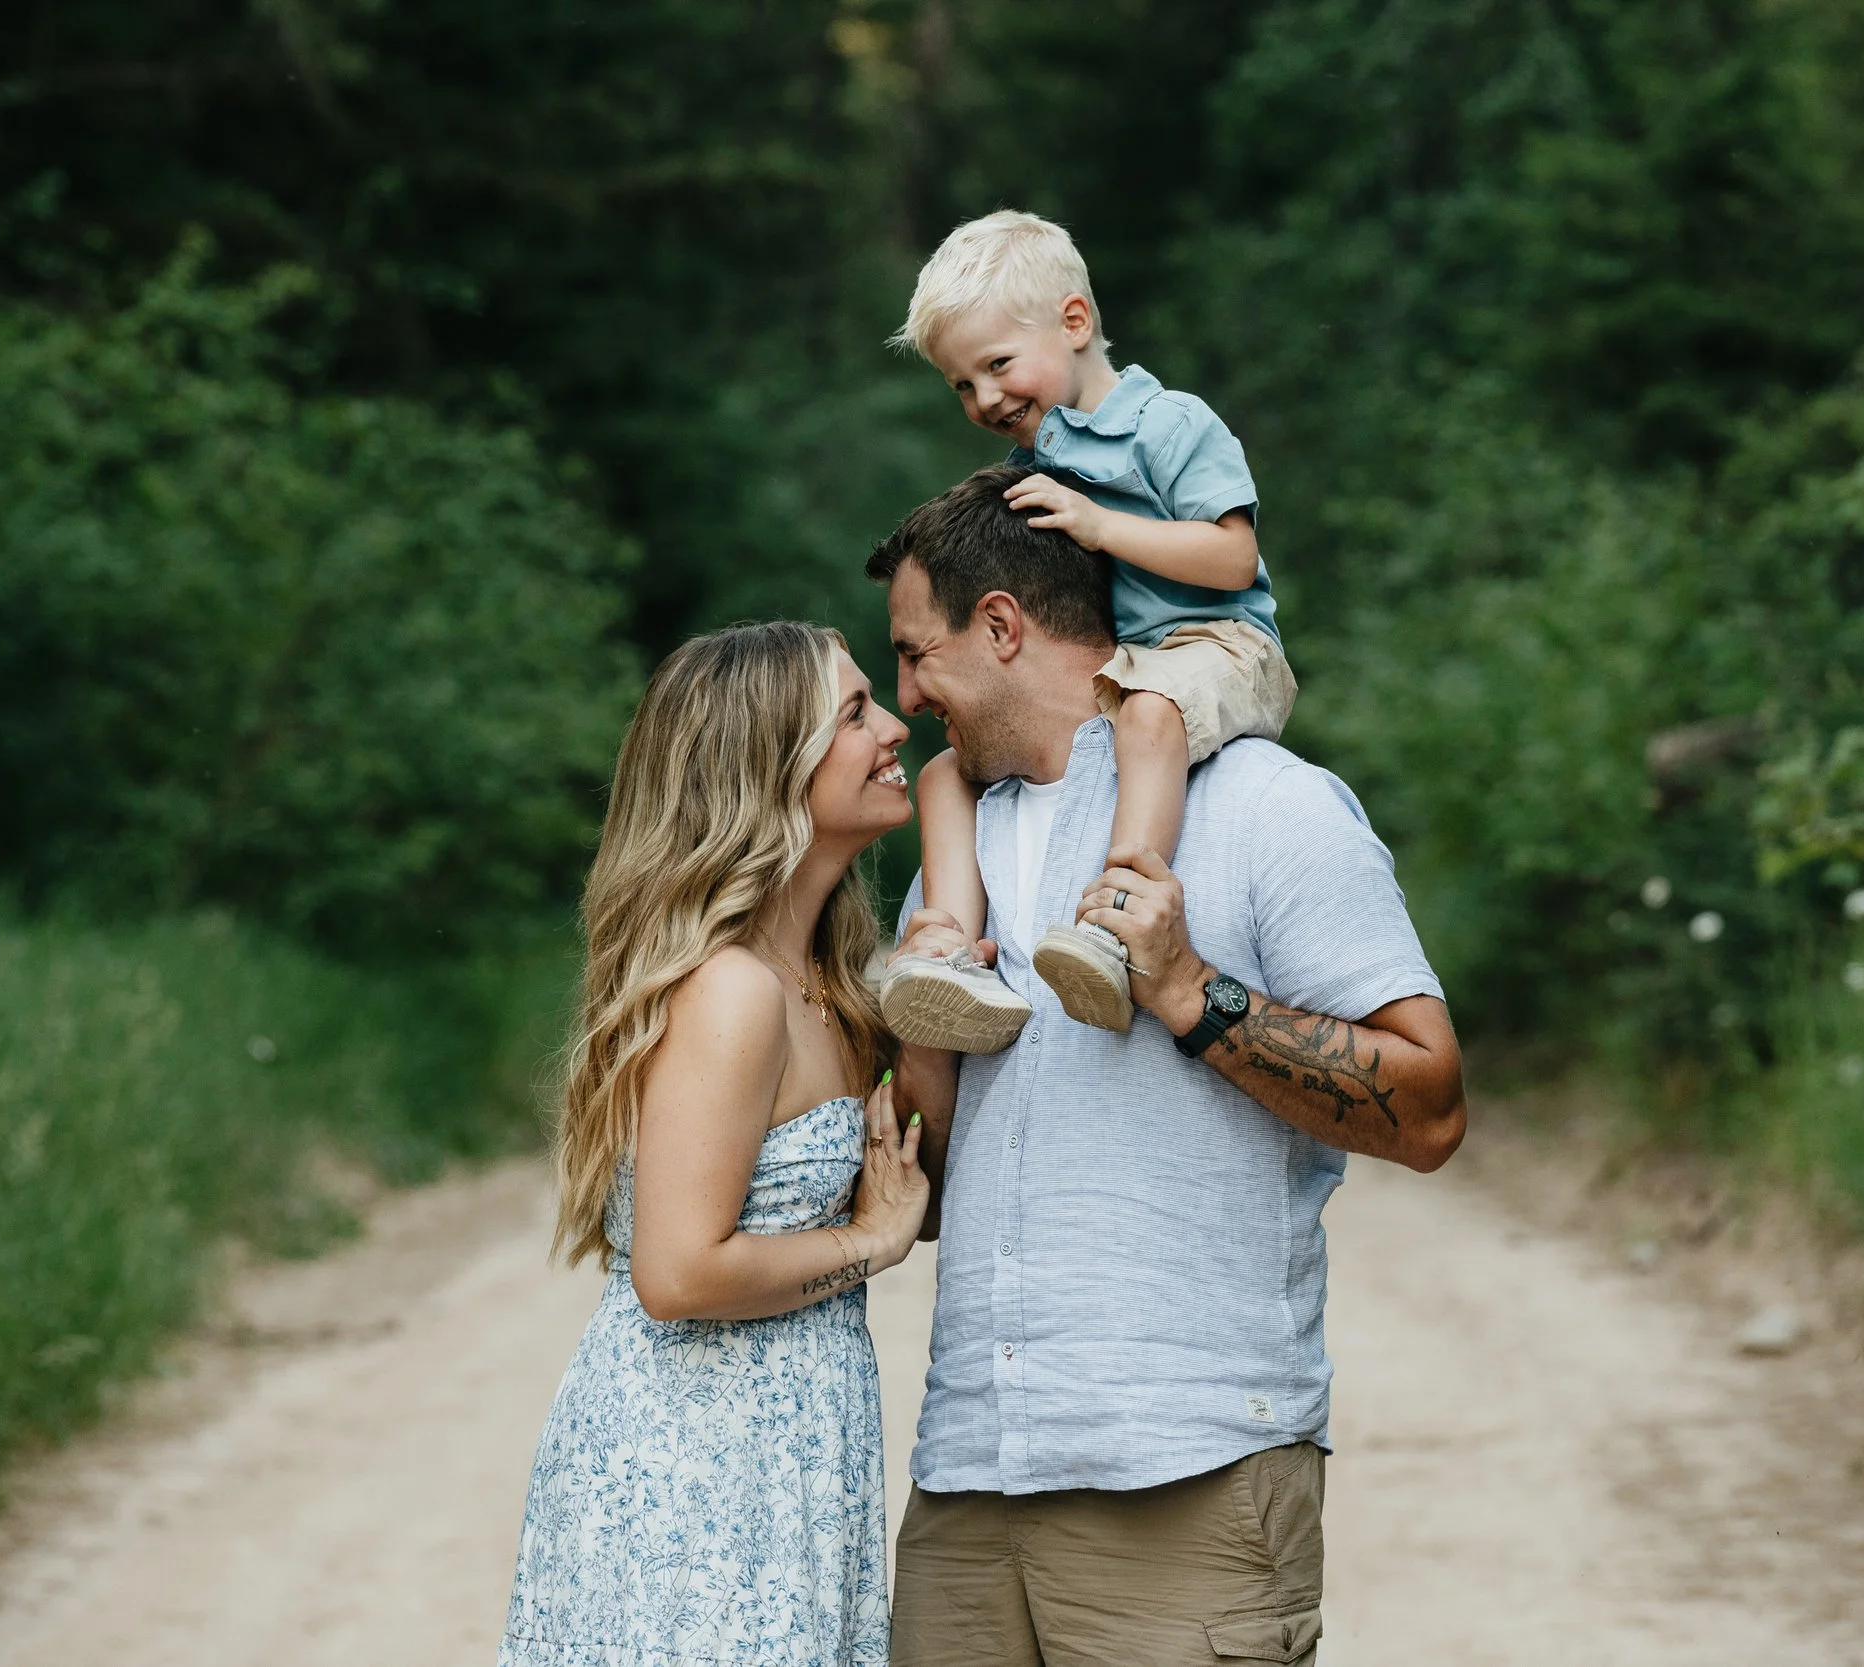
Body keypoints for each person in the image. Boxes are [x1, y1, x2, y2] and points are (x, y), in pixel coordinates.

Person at [866, 470, 1468, 1666]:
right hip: (969, 1478)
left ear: (999, 626)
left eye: (913, 653)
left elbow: (1432, 1104)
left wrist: (1189, 990)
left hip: (1189, 1469)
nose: (903, 696)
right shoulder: (958, 850)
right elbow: (928, 1187)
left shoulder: (1263, 806)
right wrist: (916, 1023)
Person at [496, 622, 932, 1667]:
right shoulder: (733, 990)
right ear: (766, 766)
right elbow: (679, 1270)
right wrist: (870, 1243)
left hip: (786, 1457)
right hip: (692, 1466)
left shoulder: (826, 985)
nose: (897, 725)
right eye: (857, 713)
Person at [877, 209, 1297, 1051]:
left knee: (1148, 710)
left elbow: (1232, 555)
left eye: (997, 366)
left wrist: (1101, 525)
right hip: (1127, 666)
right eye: (962, 385)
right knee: (947, 778)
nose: (985, 399)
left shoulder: (1170, 425)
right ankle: (951, 952)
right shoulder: (1043, 458)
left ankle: (1114, 923)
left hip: (1219, 645)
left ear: (1074, 323)